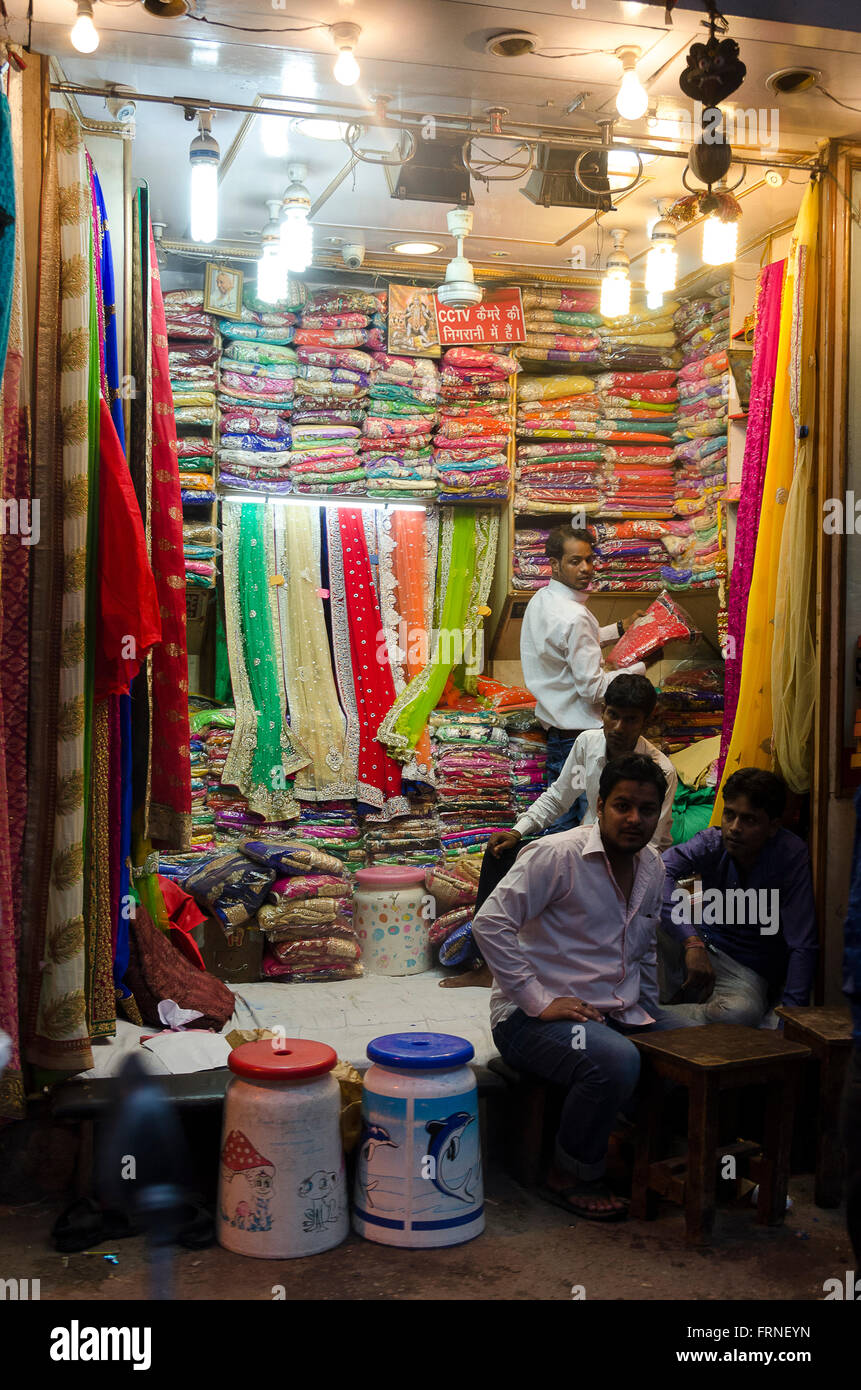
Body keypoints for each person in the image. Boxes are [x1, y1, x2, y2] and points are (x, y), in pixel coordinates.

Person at [473, 754, 693, 1222]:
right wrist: (538, 999)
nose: (635, 819)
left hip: (614, 1010)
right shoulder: (556, 855)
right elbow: (490, 923)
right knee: (616, 1059)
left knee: (692, 1044)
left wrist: (652, 1018)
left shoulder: (652, 866)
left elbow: (644, 952)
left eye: (647, 810)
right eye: (623, 806)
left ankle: (629, 1145)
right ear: (599, 805)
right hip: (529, 1020)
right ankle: (569, 1173)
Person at [658, 767, 818, 1027]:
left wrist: (790, 1019)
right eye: (729, 815)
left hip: (746, 970)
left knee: (739, 1014)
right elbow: (659, 872)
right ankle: (655, 1007)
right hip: (701, 947)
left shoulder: (789, 856)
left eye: (749, 820)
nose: (734, 828)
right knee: (644, 915)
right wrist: (691, 941)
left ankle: (650, 1015)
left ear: (773, 826)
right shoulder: (712, 841)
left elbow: (803, 944)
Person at [519, 525, 646, 833]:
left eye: (589, 560)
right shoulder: (574, 616)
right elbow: (593, 689)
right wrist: (640, 666)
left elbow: (570, 646)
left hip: (558, 733)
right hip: (581, 737)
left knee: (559, 821)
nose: (586, 568)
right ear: (555, 563)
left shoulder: (542, 599)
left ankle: (559, 879)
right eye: (575, 561)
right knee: (588, 827)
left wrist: (619, 628)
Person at [488, 673, 678, 858]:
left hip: (634, 859)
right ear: (602, 711)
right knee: (515, 857)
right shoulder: (588, 745)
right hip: (587, 845)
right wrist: (517, 832)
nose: (618, 727)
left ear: (646, 722)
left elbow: (649, 842)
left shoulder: (661, 770)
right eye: (613, 715)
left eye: (630, 720)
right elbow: (559, 798)